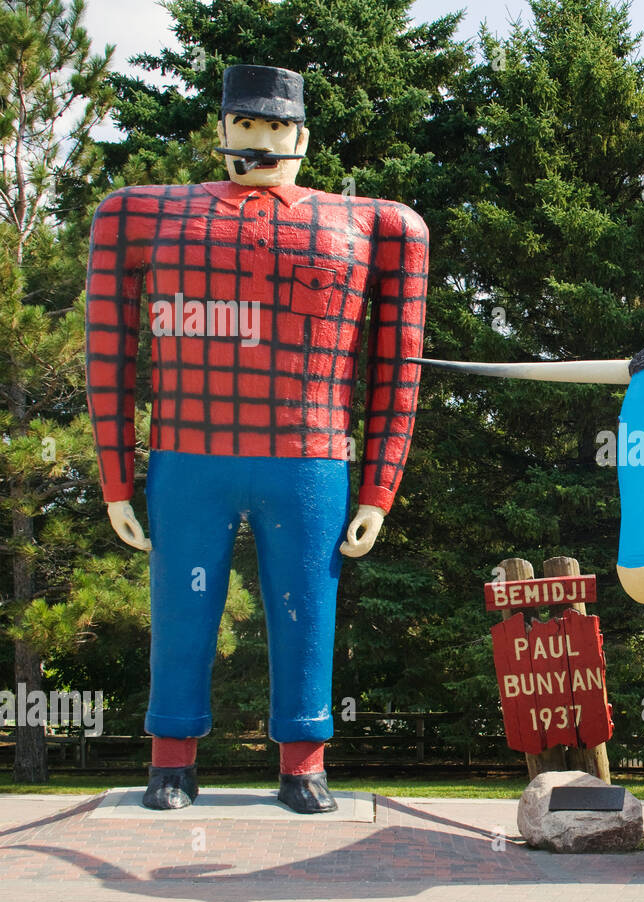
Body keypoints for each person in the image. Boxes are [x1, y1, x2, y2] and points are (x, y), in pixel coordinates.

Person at [85, 64, 429, 813]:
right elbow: (109, 350)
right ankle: (170, 758)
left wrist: (379, 484)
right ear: (222, 133)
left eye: (277, 128)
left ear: (301, 137)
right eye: (248, 126)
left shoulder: (375, 225)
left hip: (308, 456)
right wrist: (116, 477)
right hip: (189, 452)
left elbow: (397, 364)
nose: (263, 142)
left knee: (307, 602)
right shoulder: (138, 215)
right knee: (181, 606)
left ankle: (304, 762)